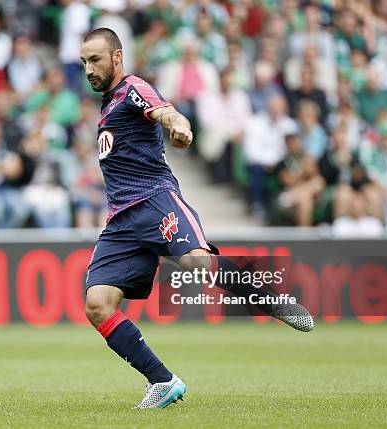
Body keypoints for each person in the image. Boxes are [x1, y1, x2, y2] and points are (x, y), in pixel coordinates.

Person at [80, 28, 314, 410]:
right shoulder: (107, 105)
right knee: (97, 303)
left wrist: (179, 127)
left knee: (197, 262)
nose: (89, 69)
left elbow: (165, 112)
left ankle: (271, 301)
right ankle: (162, 381)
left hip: (155, 201)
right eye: (85, 62)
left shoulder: (133, 88)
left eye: (96, 60)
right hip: (120, 220)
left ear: (117, 58)